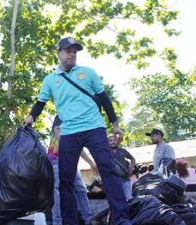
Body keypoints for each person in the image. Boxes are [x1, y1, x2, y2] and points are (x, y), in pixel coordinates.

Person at [23, 37, 131, 225]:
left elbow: (104, 98)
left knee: (108, 170)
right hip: (69, 133)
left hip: (94, 128)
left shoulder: (88, 73)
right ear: (59, 53)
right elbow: (40, 103)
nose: (72, 54)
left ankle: (121, 219)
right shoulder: (50, 80)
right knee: (66, 180)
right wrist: (31, 117)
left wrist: (114, 123)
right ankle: (70, 221)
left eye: (75, 51)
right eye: (68, 51)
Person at [48, 116, 96, 225]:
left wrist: (91, 163)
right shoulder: (61, 116)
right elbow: (59, 135)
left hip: (70, 162)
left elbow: (77, 148)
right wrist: (91, 162)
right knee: (56, 191)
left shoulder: (75, 121)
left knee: (81, 189)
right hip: (55, 161)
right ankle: (57, 222)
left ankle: (88, 220)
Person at [108, 135, 136, 200]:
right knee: (119, 200)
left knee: (129, 198)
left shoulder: (122, 151)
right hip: (114, 181)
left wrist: (131, 168)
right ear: (108, 142)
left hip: (125, 179)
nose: (113, 142)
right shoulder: (106, 153)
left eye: (114, 140)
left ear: (117, 141)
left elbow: (133, 159)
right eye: (110, 140)